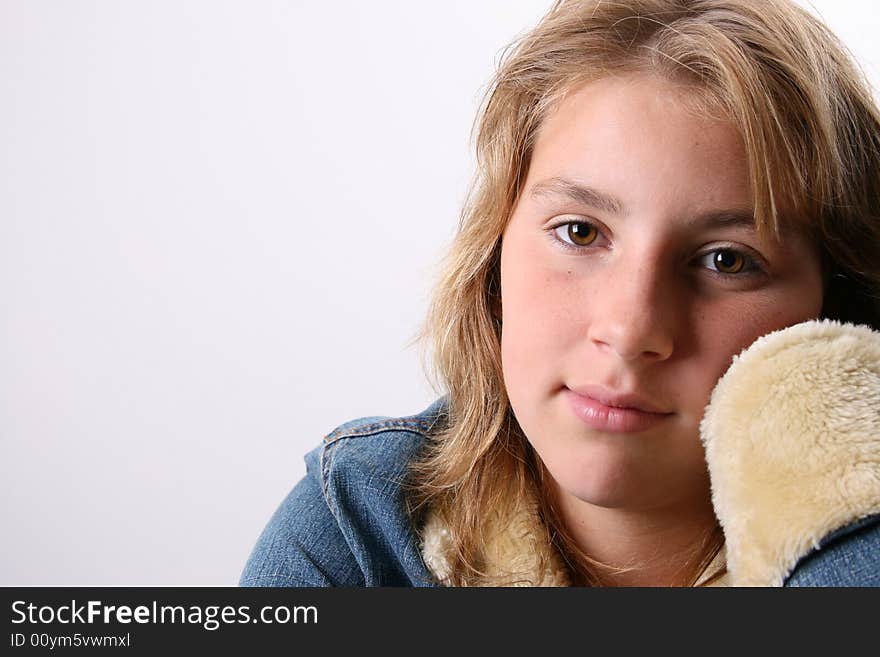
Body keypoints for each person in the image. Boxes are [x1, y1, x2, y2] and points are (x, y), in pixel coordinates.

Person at [240, 0, 880, 587]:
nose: (631, 329)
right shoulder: (362, 528)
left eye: (727, 260)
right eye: (580, 232)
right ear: (494, 249)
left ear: (838, 304)